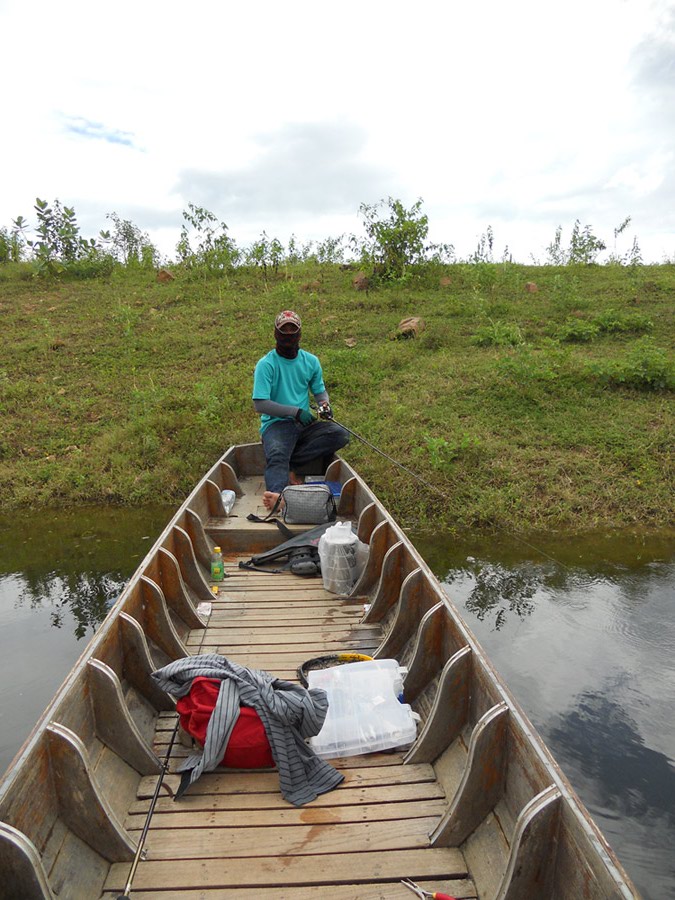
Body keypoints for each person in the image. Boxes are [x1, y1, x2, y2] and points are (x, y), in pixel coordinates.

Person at [252, 310, 349, 509]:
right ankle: (277, 496)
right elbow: (260, 404)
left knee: (339, 435)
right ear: (276, 334)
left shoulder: (311, 361)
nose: (288, 335)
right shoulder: (266, 364)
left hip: (304, 425)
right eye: (284, 331)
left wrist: (325, 407)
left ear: (299, 334)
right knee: (278, 452)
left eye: (292, 331)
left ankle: (290, 464)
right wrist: (295, 412)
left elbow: (320, 392)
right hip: (276, 424)